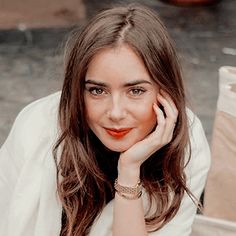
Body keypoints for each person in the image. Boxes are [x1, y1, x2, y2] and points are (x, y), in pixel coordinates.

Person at [0, 4, 211, 236]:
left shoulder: (187, 144)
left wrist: (129, 170)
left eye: (136, 91)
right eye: (97, 91)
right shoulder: (37, 127)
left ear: (165, 90)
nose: (116, 112)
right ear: (77, 91)